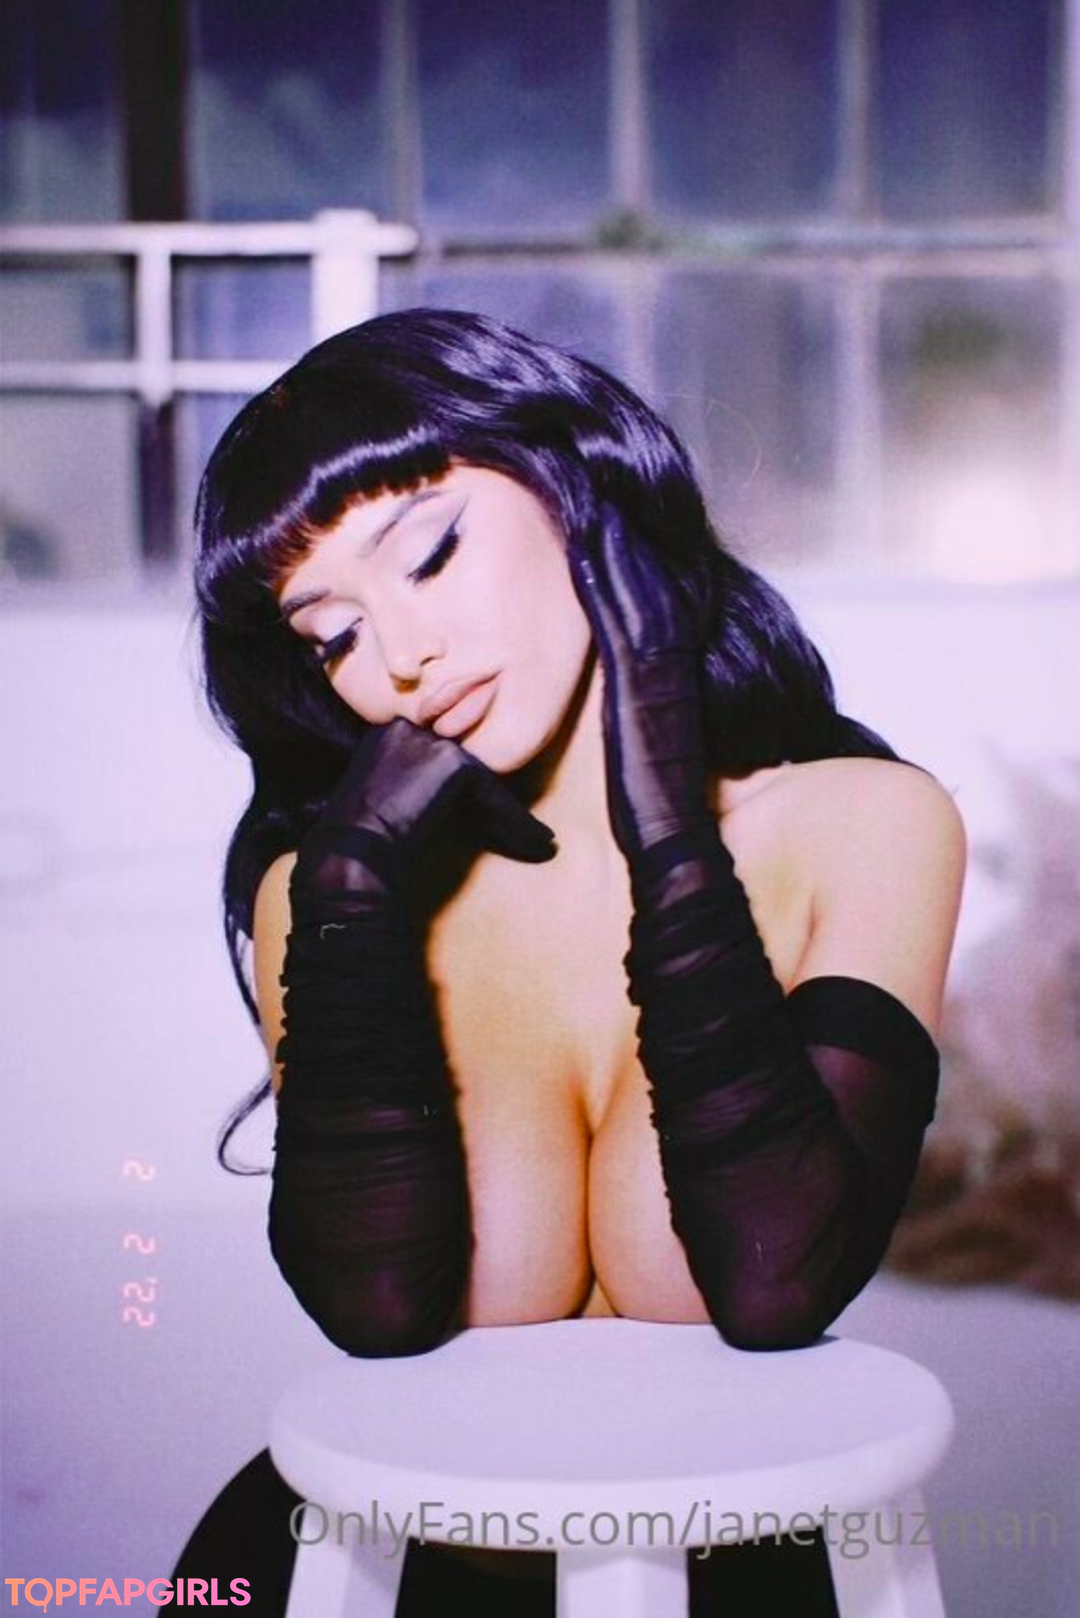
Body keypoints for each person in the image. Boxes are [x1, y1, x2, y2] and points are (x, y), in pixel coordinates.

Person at [171, 308, 967, 1614]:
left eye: (428, 554)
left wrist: (668, 822)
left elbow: (776, 1277)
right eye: (335, 634)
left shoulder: (868, 825)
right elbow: (377, 1307)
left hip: (732, 1588)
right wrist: (352, 893)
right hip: (375, 1579)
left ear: (578, 494)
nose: (403, 661)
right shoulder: (324, 897)